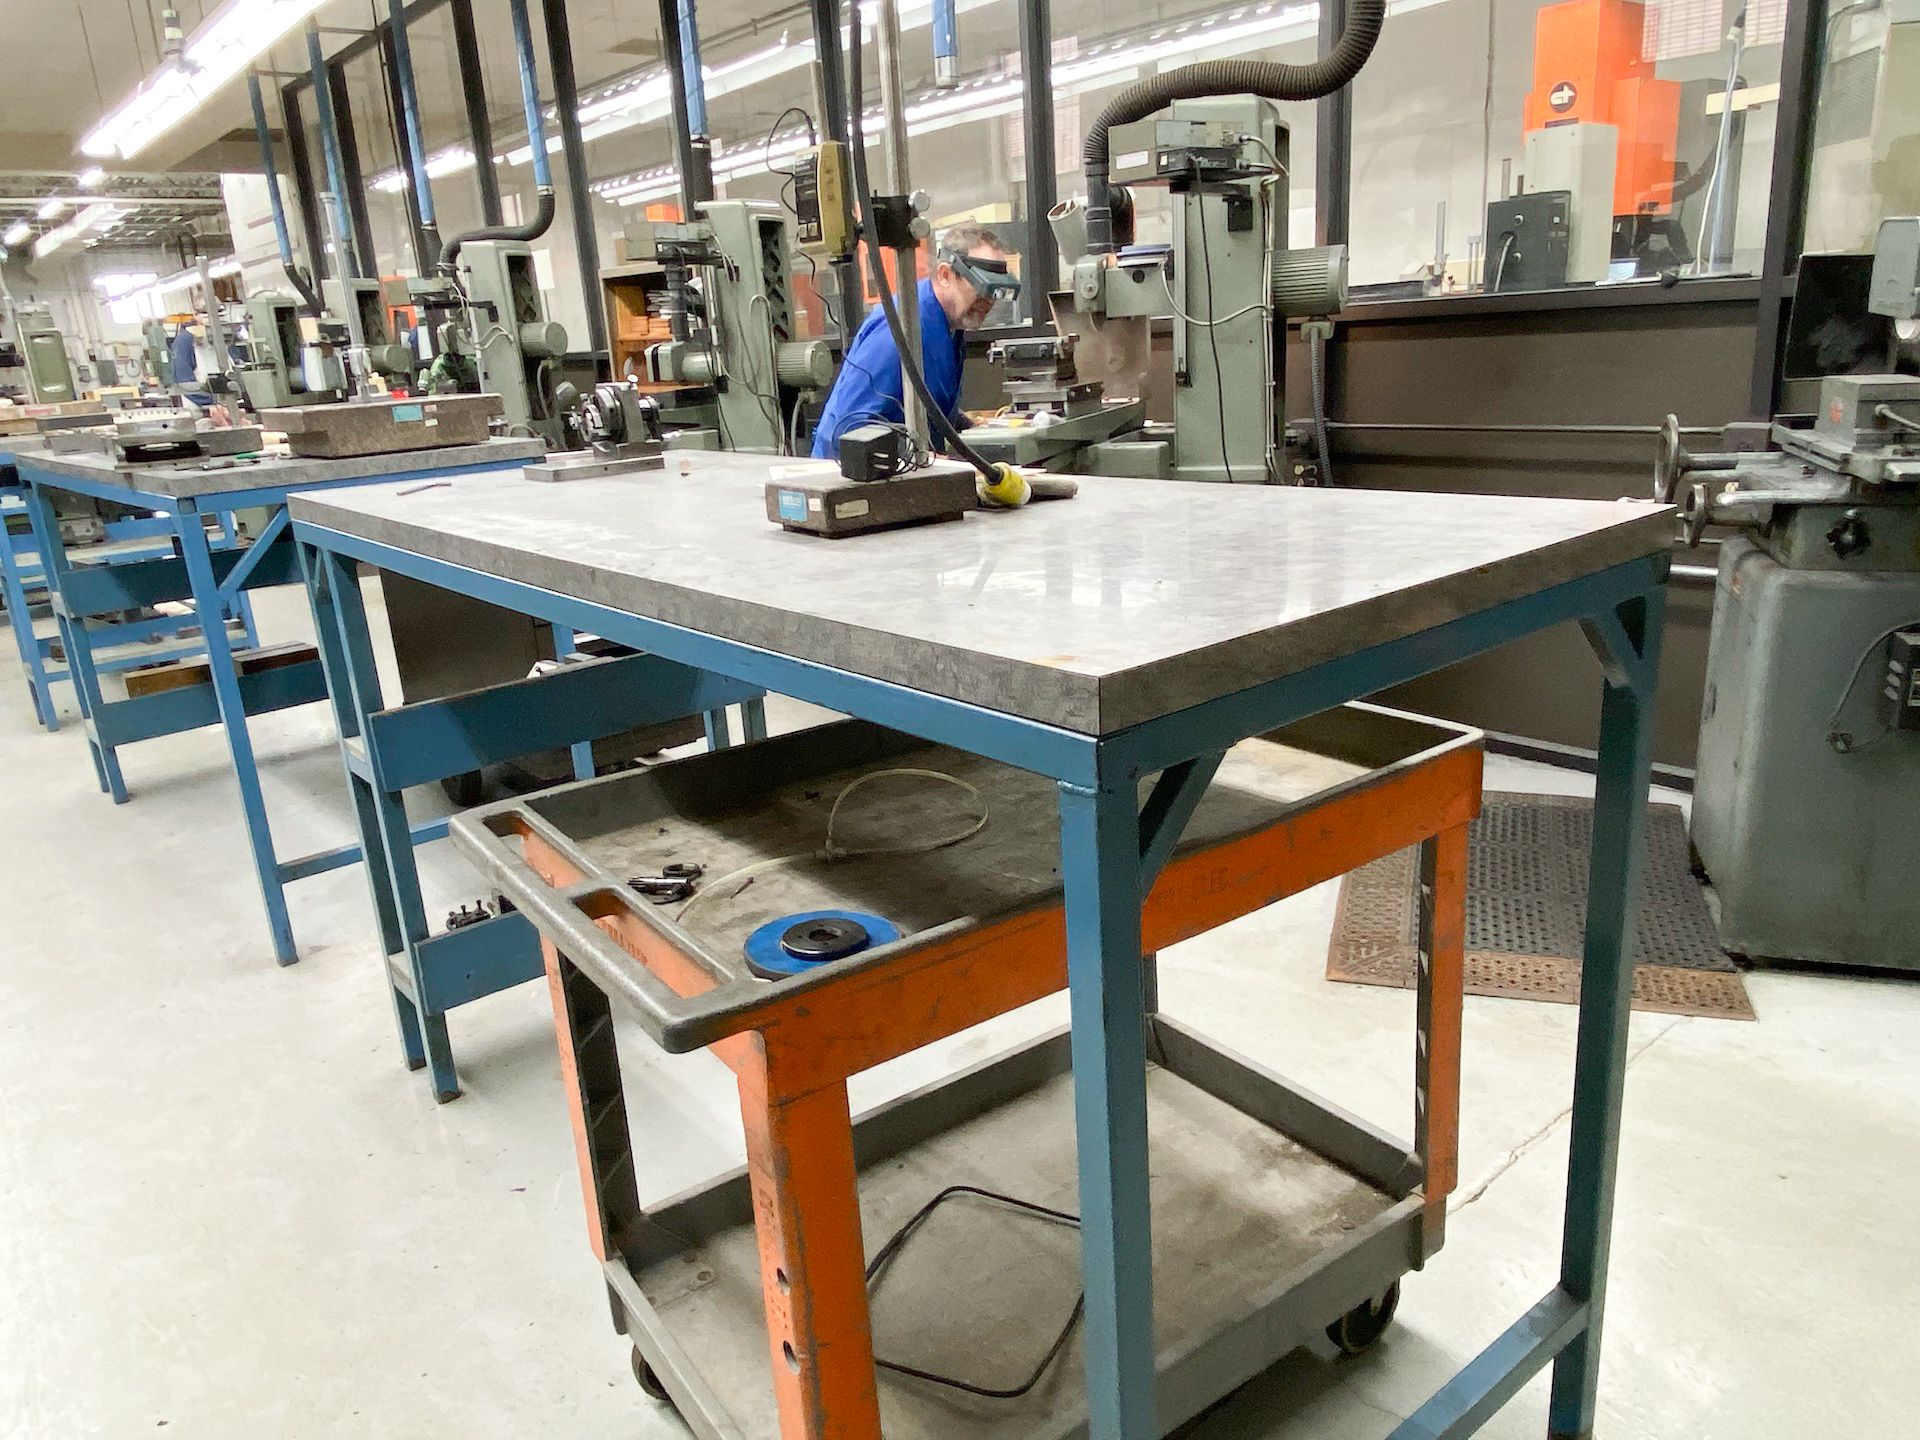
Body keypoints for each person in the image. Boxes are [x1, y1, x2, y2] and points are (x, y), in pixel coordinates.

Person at [810, 222, 1020, 460]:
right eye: (982, 288)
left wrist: (969, 427)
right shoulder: (904, 327)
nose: (988, 301)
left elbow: (928, 402)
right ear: (944, 275)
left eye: (995, 292)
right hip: (849, 477)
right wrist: (916, 455)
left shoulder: (950, 323)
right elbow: (849, 428)